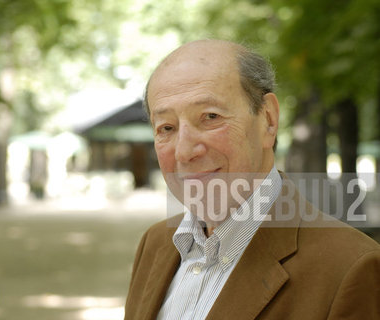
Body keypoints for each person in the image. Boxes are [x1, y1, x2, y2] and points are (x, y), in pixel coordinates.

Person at [124, 40, 380, 320]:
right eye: (167, 127)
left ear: (268, 120)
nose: (184, 151)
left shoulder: (352, 267)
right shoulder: (155, 244)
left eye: (210, 117)